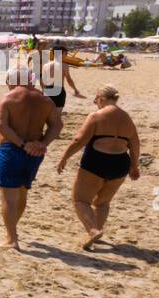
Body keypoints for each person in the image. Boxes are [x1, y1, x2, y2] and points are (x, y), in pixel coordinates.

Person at [55, 85, 141, 250]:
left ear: (102, 99)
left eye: (96, 99)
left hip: (96, 161)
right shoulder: (127, 118)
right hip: (121, 163)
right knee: (102, 202)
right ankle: (96, 234)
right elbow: (135, 144)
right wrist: (134, 165)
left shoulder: (96, 116)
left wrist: (64, 157)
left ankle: (93, 231)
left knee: (80, 200)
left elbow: (79, 140)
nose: (94, 102)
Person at [0, 74, 63, 249]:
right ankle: (12, 232)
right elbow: (57, 125)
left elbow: (1, 125)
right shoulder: (45, 100)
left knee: (9, 197)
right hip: (35, 152)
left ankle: (11, 239)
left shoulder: (8, 99)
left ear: (12, 81)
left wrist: (22, 144)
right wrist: (43, 143)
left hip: (12, 150)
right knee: (23, 193)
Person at [40, 44, 85, 112]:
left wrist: (44, 90)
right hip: (59, 90)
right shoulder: (64, 66)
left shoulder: (46, 65)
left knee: (46, 113)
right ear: (61, 53)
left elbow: (42, 80)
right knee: (57, 114)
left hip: (48, 89)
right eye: (66, 53)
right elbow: (69, 80)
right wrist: (75, 89)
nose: (66, 55)